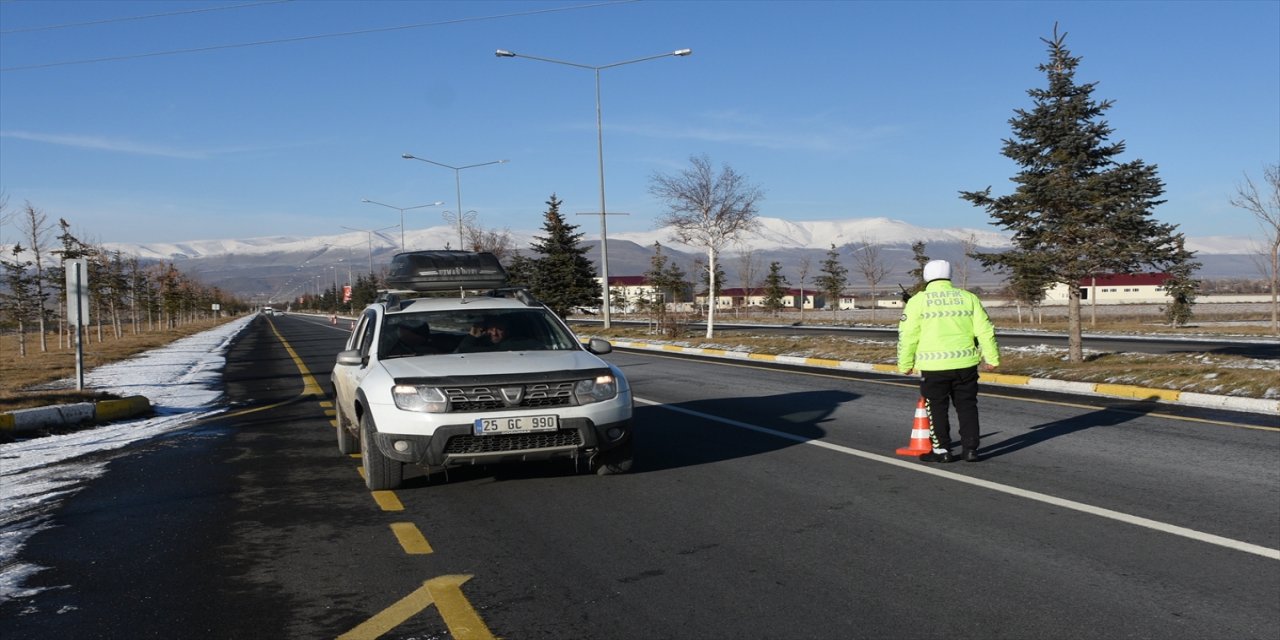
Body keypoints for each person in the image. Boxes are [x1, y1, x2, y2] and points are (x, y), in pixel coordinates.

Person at [897, 259, 1000, 463]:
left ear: (927, 276)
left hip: (934, 367)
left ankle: (942, 450)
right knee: (967, 406)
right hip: (966, 364)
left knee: (936, 407)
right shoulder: (968, 297)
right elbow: (985, 330)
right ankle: (970, 449)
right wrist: (992, 358)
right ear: (949, 275)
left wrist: (905, 363)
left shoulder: (918, 301)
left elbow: (907, 335)